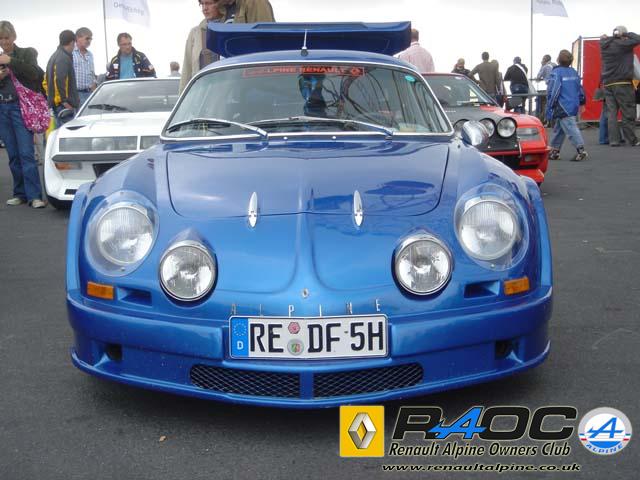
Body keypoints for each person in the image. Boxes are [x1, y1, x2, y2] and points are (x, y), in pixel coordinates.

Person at [0, 20, 46, 208]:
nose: (4, 42)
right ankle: (19, 193)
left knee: (26, 153)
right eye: (1, 39)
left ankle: (35, 196)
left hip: (21, 108)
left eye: (7, 37)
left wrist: (11, 61)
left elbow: (34, 73)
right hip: (3, 108)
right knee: (13, 155)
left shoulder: (27, 53)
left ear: (14, 36)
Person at [600, 26, 640, 147]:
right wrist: (626, 34)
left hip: (608, 83)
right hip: (622, 83)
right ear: (622, 34)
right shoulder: (623, 44)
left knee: (611, 113)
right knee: (628, 111)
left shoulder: (605, 45)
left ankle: (614, 140)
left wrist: (615, 36)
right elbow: (638, 38)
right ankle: (631, 139)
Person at [546, 50, 587, 162]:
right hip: (573, 104)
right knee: (559, 128)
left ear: (558, 59)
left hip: (562, 105)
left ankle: (581, 150)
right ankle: (554, 151)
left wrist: (550, 105)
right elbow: (580, 89)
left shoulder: (556, 73)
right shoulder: (573, 72)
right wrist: (582, 102)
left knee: (570, 127)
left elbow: (554, 91)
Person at [180, 0, 224, 92]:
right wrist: (183, 95)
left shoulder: (231, 26)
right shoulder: (195, 33)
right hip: (203, 93)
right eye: (202, 4)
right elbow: (187, 68)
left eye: (208, 3)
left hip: (227, 91)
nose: (204, 8)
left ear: (219, 3)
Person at [46, 30, 79, 127]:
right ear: (72, 42)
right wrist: (64, 101)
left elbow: (45, 81)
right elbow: (59, 79)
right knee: (68, 133)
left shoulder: (54, 56)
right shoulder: (63, 58)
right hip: (64, 106)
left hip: (57, 104)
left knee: (60, 131)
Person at [73, 27, 96, 106]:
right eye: (87, 38)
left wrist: (94, 84)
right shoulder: (71, 53)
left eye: (90, 39)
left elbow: (92, 73)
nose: (89, 41)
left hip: (90, 93)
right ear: (78, 38)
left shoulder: (90, 54)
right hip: (77, 94)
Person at [535, 54, 555, 121]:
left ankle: (544, 120)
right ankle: (551, 120)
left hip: (549, 87)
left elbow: (538, 77)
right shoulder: (555, 65)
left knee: (546, 104)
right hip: (557, 86)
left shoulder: (545, 66)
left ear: (544, 60)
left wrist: (542, 65)